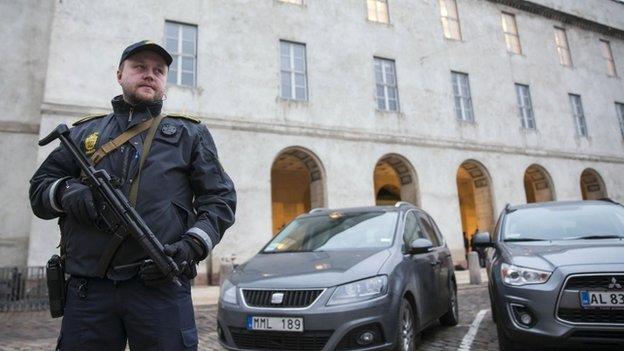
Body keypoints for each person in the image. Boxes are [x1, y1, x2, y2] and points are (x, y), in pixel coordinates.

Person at [29, 40, 236, 351]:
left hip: (159, 286)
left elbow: (219, 201)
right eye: (139, 67)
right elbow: (39, 189)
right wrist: (67, 191)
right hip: (89, 290)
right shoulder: (84, 133)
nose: (149, 74)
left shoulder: (189, 134)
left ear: (165, 82)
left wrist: (190, 245)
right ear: (119, 74)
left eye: (158, 70)